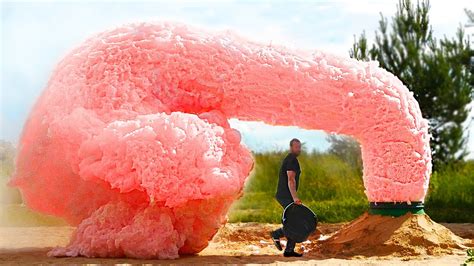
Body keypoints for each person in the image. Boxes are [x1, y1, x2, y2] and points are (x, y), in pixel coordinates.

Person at [270, 138, 303, 257]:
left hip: (285, 195)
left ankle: (289, 249)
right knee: (295, 222)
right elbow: (291, 179)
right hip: (286, 196)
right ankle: (277, 234)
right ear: (291, 147)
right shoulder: (291, 160)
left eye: (299, 147)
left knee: (294, 221)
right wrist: (295, 197)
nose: (298, 149)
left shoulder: (291, 159)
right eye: (296, 147)